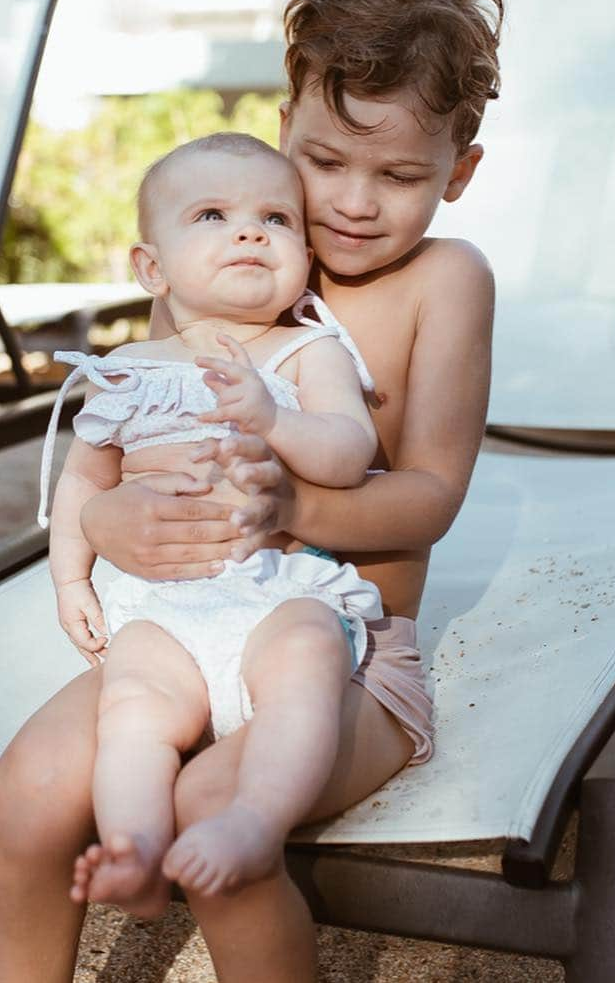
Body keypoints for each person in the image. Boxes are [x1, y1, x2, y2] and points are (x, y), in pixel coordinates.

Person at [0, 0, 503, 983]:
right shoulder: (218, 267)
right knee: (30, 787)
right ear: (282, 129)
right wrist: (112, 520)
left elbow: (432, 496)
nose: (353, 203)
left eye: (398, 175)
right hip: (172, 630)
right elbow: (126, 433)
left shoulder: (445, 280)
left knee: (214, 808)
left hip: (346, 654)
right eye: (322, 161)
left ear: (458, 169)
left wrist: (294, 503)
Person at [37, 130, 386, 909]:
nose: (250, 231)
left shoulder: (304, 352)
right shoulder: (126, 370)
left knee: (306, 663)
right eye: (212, 215)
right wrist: (70, 578)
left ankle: (255, 822)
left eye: (276, 217)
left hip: (276, 590)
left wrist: (274, 418)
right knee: (132, 708)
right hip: (162, 606)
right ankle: (134, 850)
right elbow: (81, 484)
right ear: (152, 268)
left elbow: (348, 453)